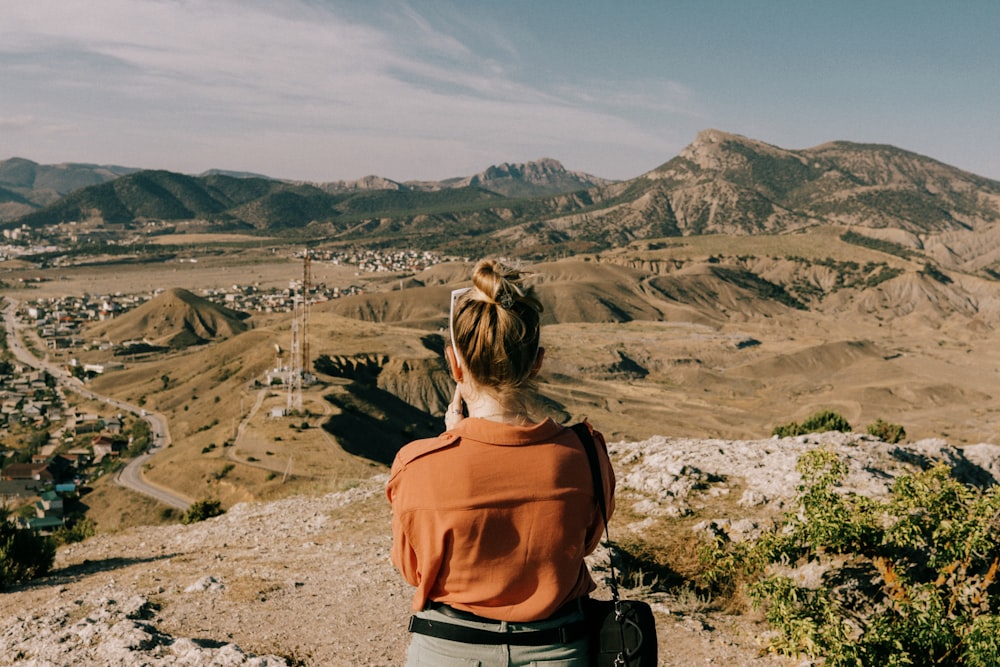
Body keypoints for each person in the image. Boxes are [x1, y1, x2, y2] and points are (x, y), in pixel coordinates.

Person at [386, 259, 616, 667]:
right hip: (560, 650)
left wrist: (451, 440)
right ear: (537, 362)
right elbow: (584, 543)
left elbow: (412, 570)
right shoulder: (585, 454)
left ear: (455, 365)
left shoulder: (417, 464)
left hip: (446, 652)